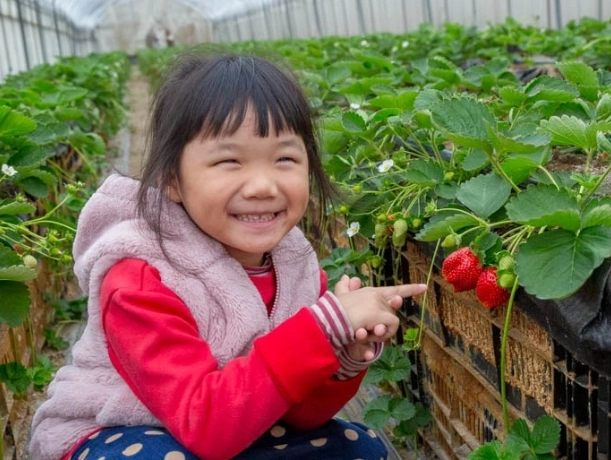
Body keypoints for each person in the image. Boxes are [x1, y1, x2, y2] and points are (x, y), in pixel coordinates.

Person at [29, 49, 427, 460]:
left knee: (358, 447)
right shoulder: (141, 278)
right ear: (172, 181)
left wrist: (342, 357)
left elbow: (299, 414)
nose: (262, 186)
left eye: (285, 159)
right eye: (229, 161)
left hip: (237, 428)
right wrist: (319, 329)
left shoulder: (296, 265)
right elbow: (205, 424)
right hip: (118, 432)